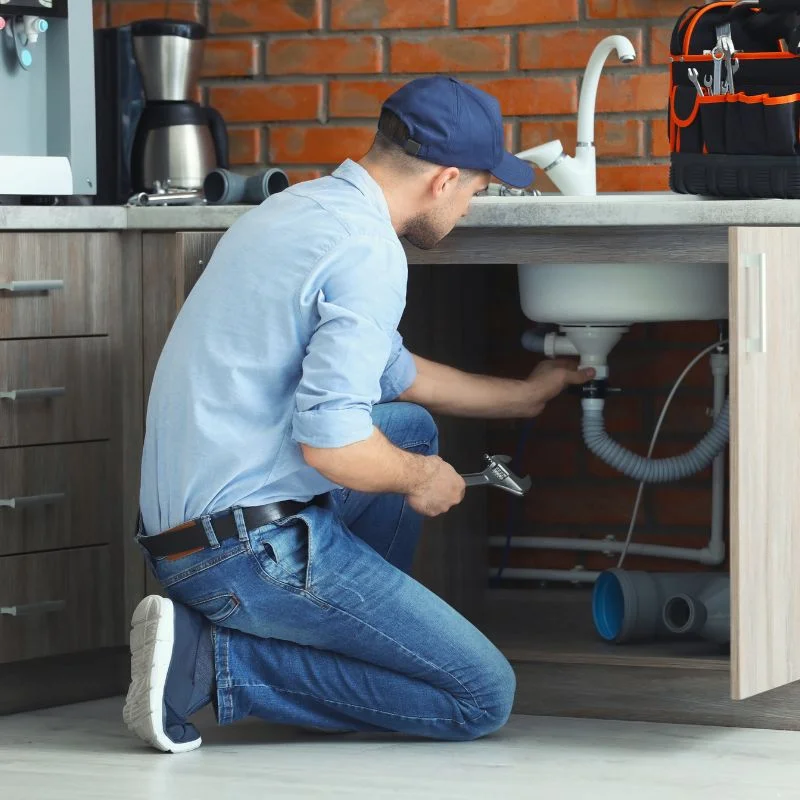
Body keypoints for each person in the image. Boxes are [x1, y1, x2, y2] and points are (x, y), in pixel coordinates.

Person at [123, 76, 595, 754]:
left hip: (183, 533)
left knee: (408, 427)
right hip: (241, 554)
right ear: (446, 180)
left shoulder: (303, 209)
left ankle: (340, 637)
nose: (470, 206)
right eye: (477, 190)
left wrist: (521, 396)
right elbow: (333, 448)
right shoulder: (369, 252)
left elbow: (394, 373)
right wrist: (419, 480)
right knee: (481, 696)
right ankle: (210, 662)